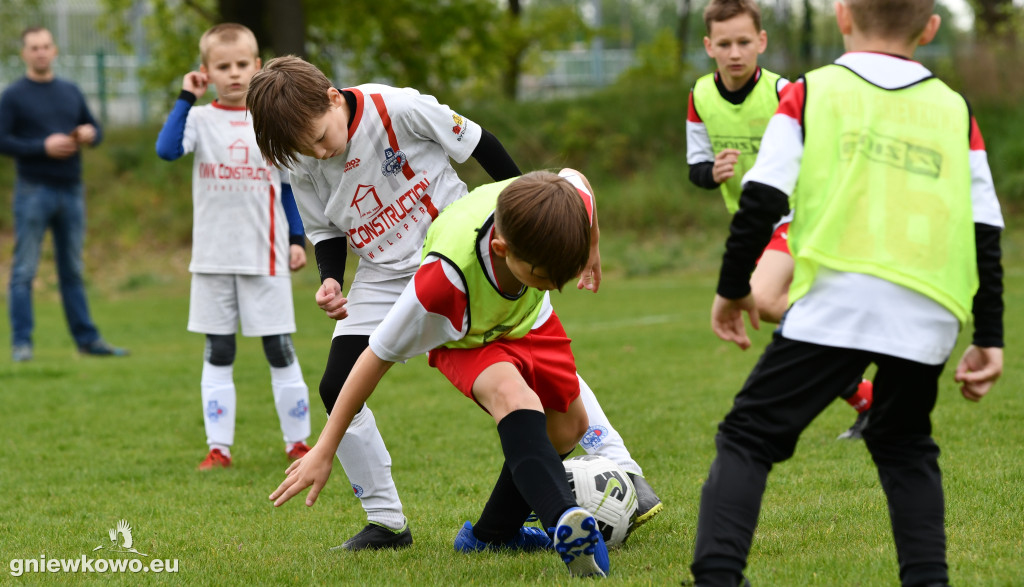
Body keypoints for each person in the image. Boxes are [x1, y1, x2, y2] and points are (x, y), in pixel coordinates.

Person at [245, 55, 662, 550]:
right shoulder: (300, 158)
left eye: (320, 138)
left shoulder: (397, 107)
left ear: (334, 97)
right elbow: (326, 230)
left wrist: (533, 223)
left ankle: (622, 469)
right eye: (304, 149)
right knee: (337, 385)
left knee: (539, 362)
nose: (318, 153)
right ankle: (386, 522)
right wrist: (331, 280)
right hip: (382, 275)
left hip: (458, 256)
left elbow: (482, 144)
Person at [690, 0, 1005, 584]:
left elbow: (762, 197)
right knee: (905, 444)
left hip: (838, 299)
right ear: (930, 27)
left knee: (748, 437)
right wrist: (990, 334)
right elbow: (985, 227)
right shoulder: (955, 109)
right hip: (930, 308)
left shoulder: (810, 93)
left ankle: (716, 576)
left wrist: (732, 288)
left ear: (842, 16)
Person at [271, 169, 613, 578]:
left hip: (528, 320)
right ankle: (566, 522)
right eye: (542, 276)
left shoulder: (558, 206)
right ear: (501, 248)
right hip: (466, 336)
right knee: (513, 397)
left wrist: (591, 245)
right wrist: (325, 448)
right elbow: (372, 358)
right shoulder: (441, 283)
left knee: (569, 427)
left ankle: (490, 537)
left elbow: (577, 179)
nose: (554, 286)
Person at [685, 0, 872, 439]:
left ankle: (857, 343)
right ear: (709, 46)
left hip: (797, 213)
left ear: (762, 42)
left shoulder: (783, 91)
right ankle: (867, 394)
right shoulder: (700, 96)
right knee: (791, 314)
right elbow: (696, 165)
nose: (735, 53)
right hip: (750, 226)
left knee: (767, 302)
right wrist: (712, 173)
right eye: (724, 44)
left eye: (744, 42)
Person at [155, 24, 312, 470]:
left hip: (265, 257)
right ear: (206, 72)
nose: (234, 73)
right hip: (212, 259)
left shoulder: (271, 123)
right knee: (219, 350)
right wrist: (185, 98)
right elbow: (166, 150)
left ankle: (299, 443)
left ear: (257, 66)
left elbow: (288, 189)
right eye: (223, 66)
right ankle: (219, 448)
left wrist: (296, 239)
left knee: (278, 347)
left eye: (242, 64)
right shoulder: (200, 120)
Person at [0, 26, 128, 362]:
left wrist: (89, 134)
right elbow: (3, 140)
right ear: (24, 54)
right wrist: (42, 146)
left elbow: (96, 129)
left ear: (54, 50)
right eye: (34, 47)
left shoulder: (70, 90)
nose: (41, 52)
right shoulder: (13, 95)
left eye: (46, 46)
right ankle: (22, 345)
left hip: (71, 189)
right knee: (24, 270)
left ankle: (87, 341)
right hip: (33, 190)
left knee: (72, 270)